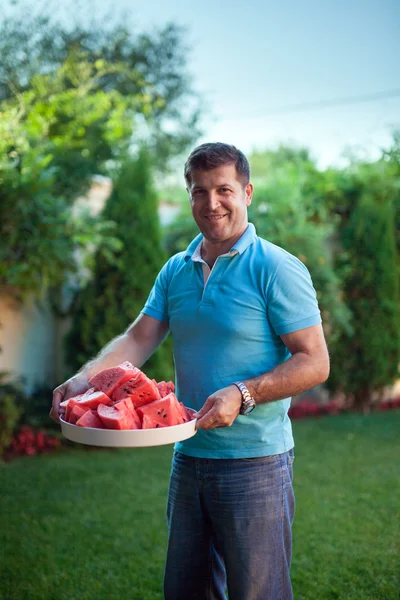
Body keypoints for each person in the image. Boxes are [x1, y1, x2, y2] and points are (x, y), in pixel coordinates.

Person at [51, 142, 330, 600]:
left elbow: (314, 361)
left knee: (257, 593)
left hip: (255, 463)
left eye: (224, 189)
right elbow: (138, 338)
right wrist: (83, 382)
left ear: (247, 193)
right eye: (199, 191)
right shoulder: (176, 270)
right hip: (187, 455)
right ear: (189, 197)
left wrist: (242, 393)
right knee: (186, 591)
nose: (211, 202)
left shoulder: (277, 268)